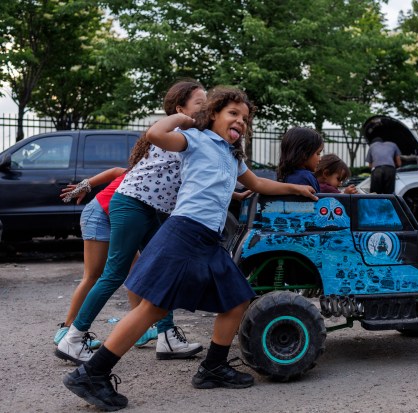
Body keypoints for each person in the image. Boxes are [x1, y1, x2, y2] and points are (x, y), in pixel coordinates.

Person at [62, 85, 317, 411]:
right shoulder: (194, 140)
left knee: (237, 299)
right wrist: (185, 117)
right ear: (213, 115)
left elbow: (257, 184)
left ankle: (213, 367)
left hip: (207, 239)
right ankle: (92, 373)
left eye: (245, 118)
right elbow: (155, 134)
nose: (241, 121)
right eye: (233, 114)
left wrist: (295, 188)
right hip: (183, 234)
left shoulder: (230, 155)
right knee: (151, 309)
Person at [55, 80, 208, 366]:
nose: (206, 107)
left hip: (150, 209)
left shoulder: (195, 138)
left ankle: (166, 337)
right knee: (113, 274)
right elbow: (154, 137)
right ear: (180, 109)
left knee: (163, 268)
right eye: (200, 103)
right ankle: (73, 338)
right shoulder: (173, 133)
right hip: (132, 204)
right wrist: (187, 119)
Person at [54, 167, 135, 349]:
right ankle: (66, 330)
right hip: (98, 216)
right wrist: (85, 185)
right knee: (93, 275)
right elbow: (115, 171)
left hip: (115, 219)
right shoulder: (143, 169)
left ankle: (141, 328)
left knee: (135, 270)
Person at [276, 126, 323, 192]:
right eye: (318, 153)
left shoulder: (288, 174)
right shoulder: (303, 178)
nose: (320, 159)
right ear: (304, 154)